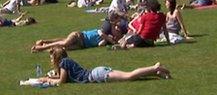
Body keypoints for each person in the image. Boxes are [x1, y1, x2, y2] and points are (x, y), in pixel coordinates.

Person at [38, 47, 170, 85]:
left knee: (129, 76)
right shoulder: (67, 61)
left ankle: (155, 67)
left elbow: (62, 81)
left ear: (57, 57)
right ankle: (156, 73)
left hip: (97, 75)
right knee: (130, 76)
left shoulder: (63, 62)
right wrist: (53, 76)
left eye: (51, 57)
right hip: (97, 72)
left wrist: (47, 80)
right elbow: (64, 77)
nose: (51, 59)